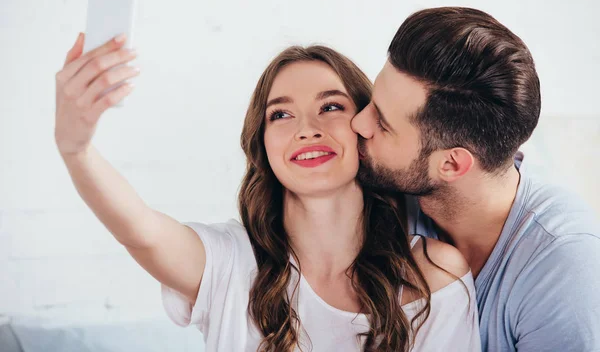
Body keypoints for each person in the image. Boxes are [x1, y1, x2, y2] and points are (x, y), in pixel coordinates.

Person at [54, 35, 480, 351]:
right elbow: (140, 231)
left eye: (331, 106)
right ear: (263, 144)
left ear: (366, 126)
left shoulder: (432, 274)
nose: (306, 128)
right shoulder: (228, 263)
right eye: (281, 114)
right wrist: (75, 148)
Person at [351, 6, 600, 352]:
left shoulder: (564, 269)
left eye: (383, 123)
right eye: (371, 104)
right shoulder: (384, 199)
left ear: (452, 164)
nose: (358, 124)